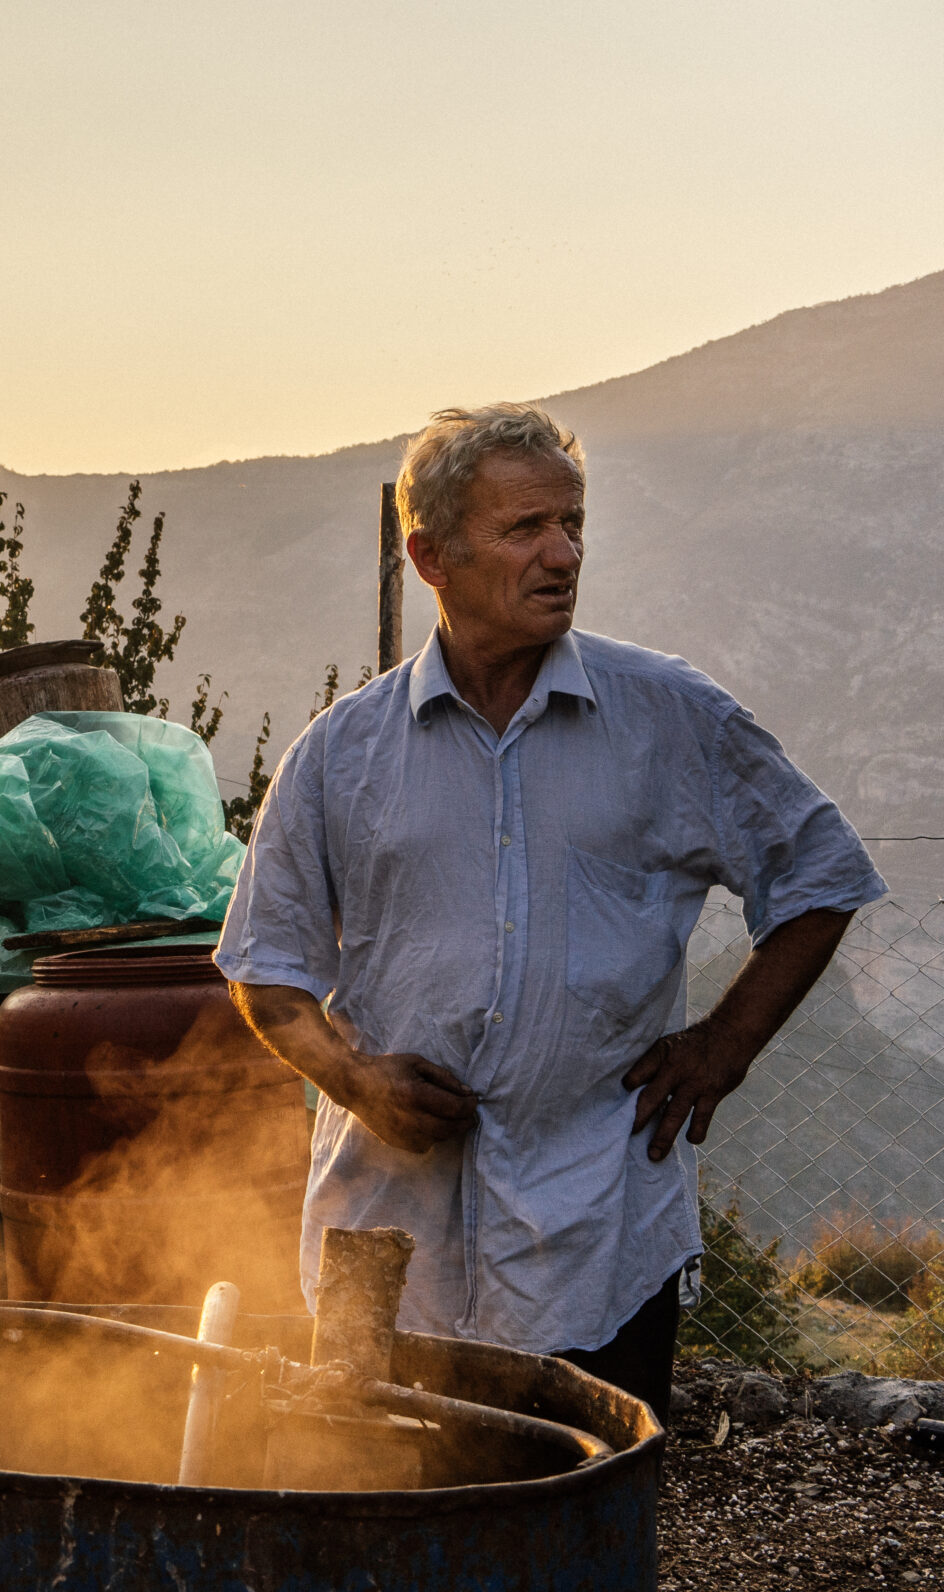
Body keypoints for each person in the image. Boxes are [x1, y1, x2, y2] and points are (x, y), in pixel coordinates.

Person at [216, 404, 886, 1422]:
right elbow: (265, 968)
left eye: (571, 524)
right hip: (388, 1243)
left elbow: (821, 875)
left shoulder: (669, 717)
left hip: (597, 1239)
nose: (562, 554)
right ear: (431, 556)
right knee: (379, 1534)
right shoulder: (341, 755)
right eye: (524, 529)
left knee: (584, 1542)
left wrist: (723, 1044)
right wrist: (351, 1078)